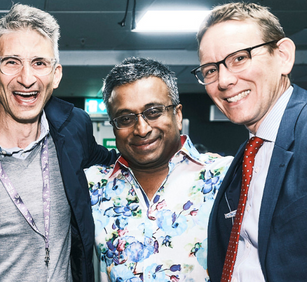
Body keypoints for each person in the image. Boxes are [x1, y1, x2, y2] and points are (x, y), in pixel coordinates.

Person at [0, 3, 117, 282]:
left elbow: (122, 166)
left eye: (39, 63)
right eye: (11, 62)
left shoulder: (74, 129)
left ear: (55, 74)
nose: (26, 78)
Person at [85, 57, 232, 281]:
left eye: (153, 112)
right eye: (125, 118)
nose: (142, 129)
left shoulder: (226, 176)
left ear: (178, 115)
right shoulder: (92, 186)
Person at [193, 2, 306, 282]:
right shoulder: (248, 154)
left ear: (283, 57)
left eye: (239, 58)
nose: (224, 80)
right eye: (210, 70)